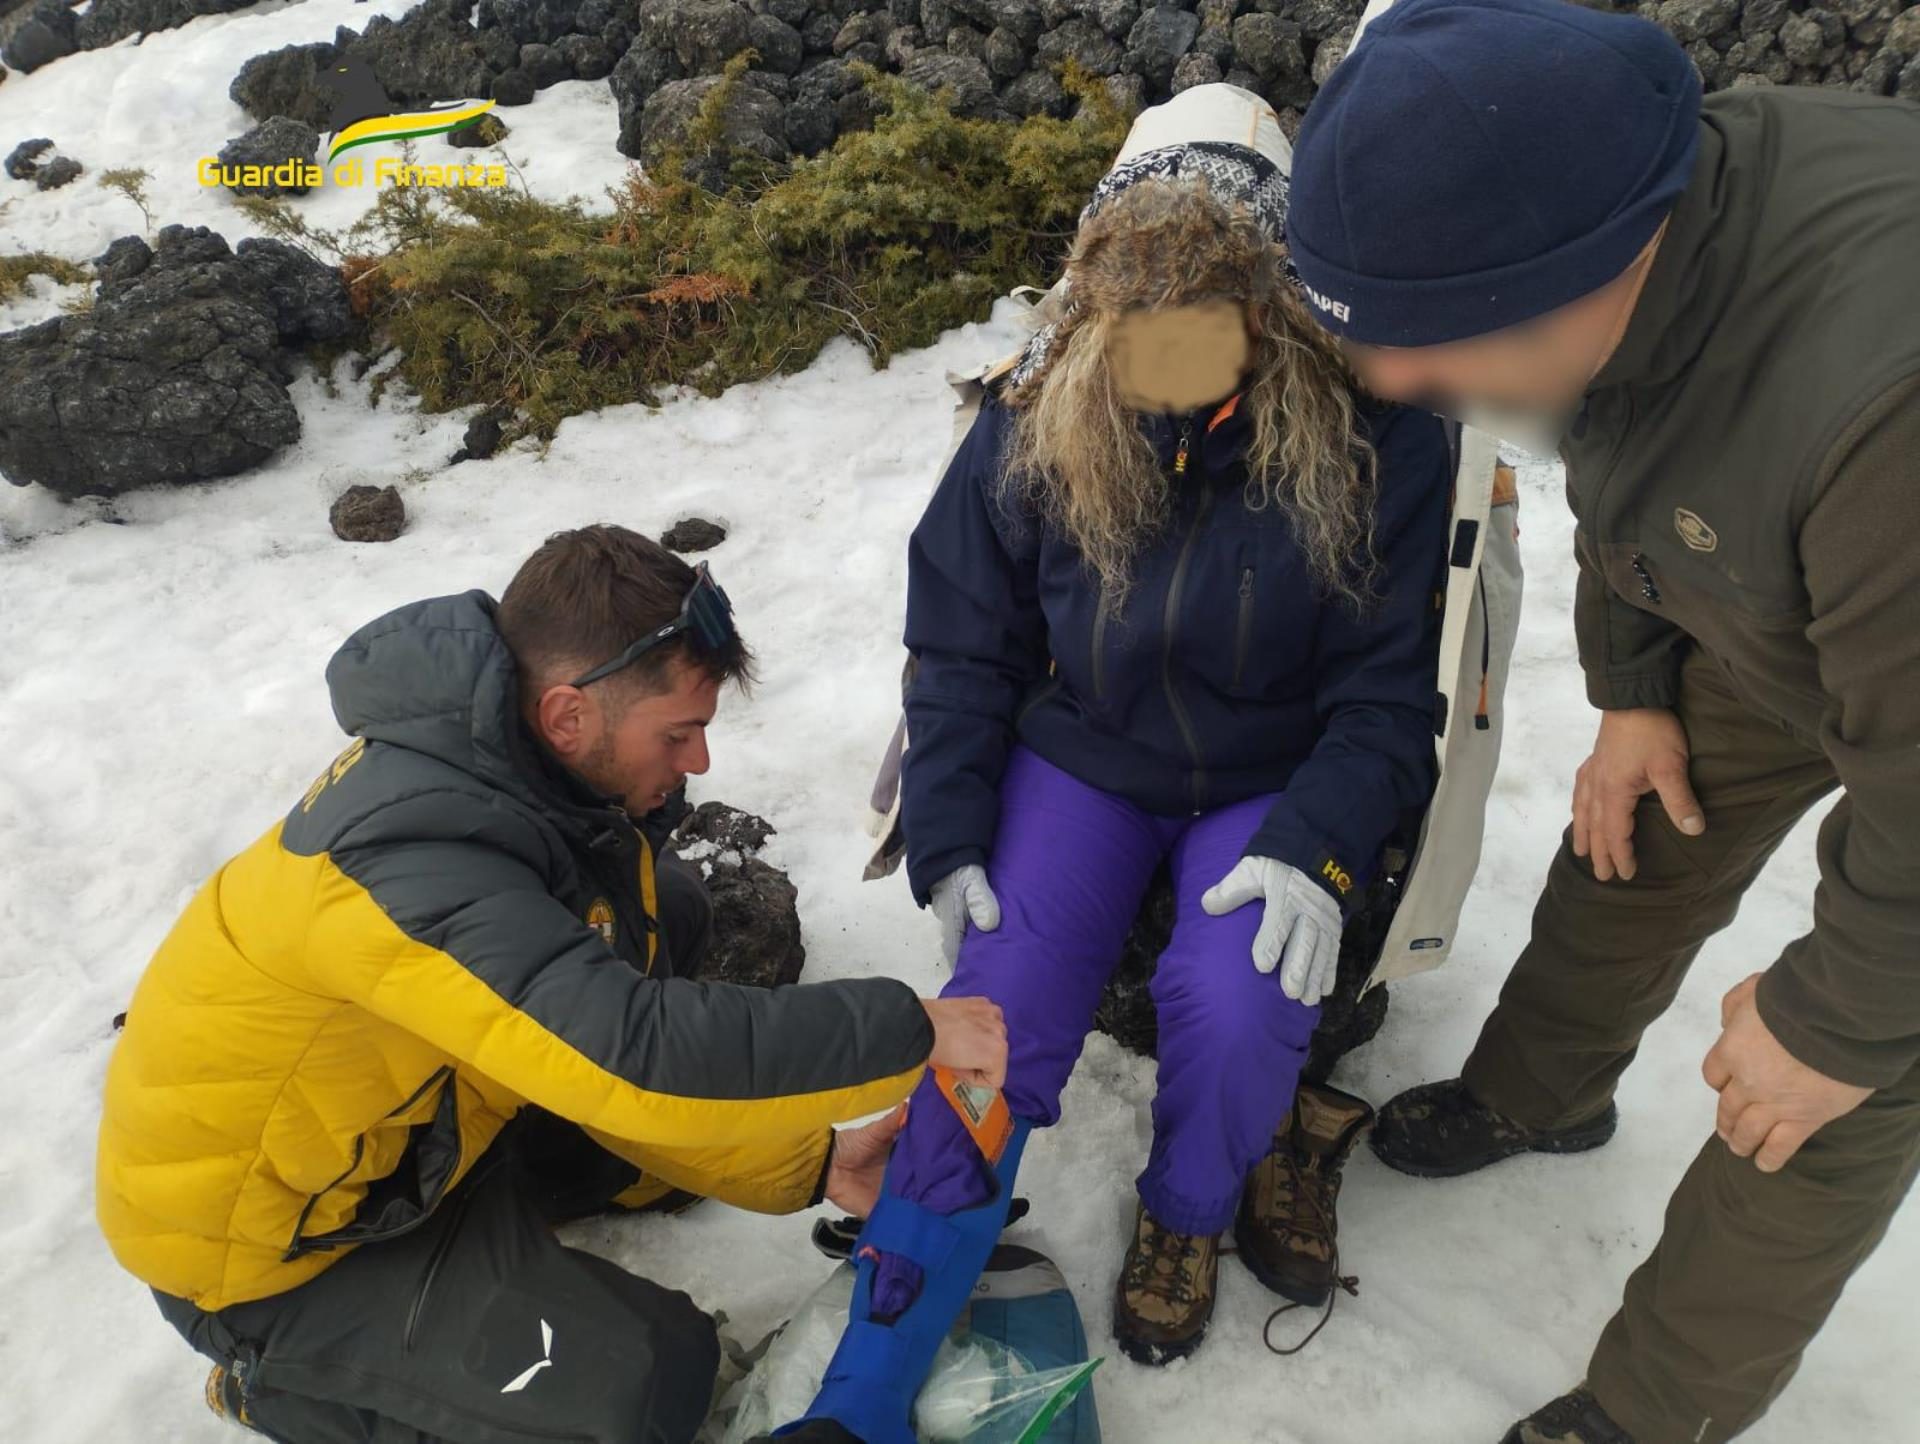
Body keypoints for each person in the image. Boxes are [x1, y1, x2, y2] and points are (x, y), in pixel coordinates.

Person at [1285, 2, 1920, 1441]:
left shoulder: (1887, 416)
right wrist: (1636, 692)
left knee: (1827, 1092)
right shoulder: (1639, 216)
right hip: (1799, 599)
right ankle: (1542, 1094)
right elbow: (1631, 447)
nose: (1393, 385)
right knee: (1635, 829)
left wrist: (1831, 1022)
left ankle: (1647, 1415)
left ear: (1584, 272)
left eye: (1419, 341)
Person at [784, 135, 1451, 1444]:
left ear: (1270, 311)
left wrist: (1319, 847)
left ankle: (1187, 1216)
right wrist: (955, 832)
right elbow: (963, 643)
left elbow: (1389, 695)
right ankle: (871, 1376)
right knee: (993, 1008)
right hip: (1083, 752)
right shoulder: (1033, 412)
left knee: (1246, 991)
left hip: (1273, 767)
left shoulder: (1378, 434)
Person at [94, 524, 1008, 1444]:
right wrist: (911, 1028)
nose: (697, 765)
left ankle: (526, 1226)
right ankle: (277, 1381)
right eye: (679, 734)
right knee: (651, 1384)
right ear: (568, 715)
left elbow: (589, 1037)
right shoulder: (412, 859)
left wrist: (813, 1163)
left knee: (672, 913)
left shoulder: (542, 788)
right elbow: (628, 1049)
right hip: (276, 1253)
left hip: (416, 1135)